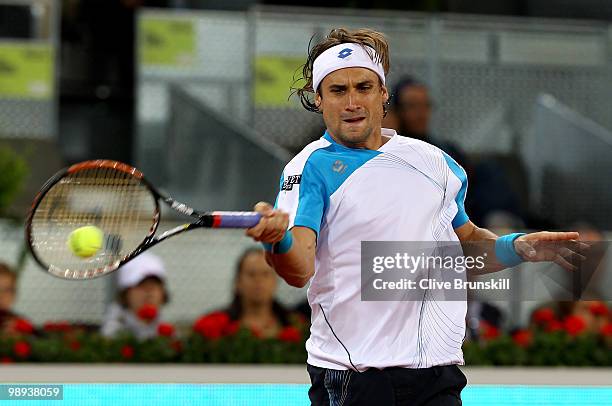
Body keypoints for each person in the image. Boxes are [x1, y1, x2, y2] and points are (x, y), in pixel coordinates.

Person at [245, 27, 582, 405]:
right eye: (338, 91)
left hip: (437, 376)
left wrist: (516, 247)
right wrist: (279, 240)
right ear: (319, 99)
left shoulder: (434, 162)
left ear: (383, 94)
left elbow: (465, 244)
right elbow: (299, 269)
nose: (352, 101)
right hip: (354, 379)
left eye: (364, 87)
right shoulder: (308, 168)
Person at [222, 248, 293, 338]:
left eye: (265, 274)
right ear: (238, 282)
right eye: (251, 274)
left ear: (275, 281)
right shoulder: (215, 327)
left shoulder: (295, 324)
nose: (258, 280)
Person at [100, 253, 169, 340]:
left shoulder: (168, 333)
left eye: (155, 285)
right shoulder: (113, 335)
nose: (149, 292)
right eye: (141, 284)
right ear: (125, 292)